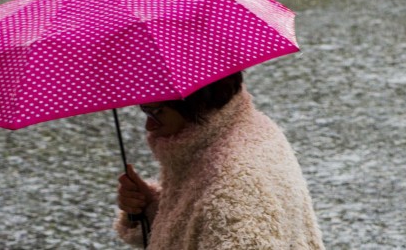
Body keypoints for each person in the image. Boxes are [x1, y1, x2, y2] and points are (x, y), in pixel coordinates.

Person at [114, 71, 324, 249]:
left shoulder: (233, 189)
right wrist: (148, 208)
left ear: (193, 102)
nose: (149, 126)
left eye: (156, 111)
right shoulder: (239, 132)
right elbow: (198, 227)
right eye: (144, 110)